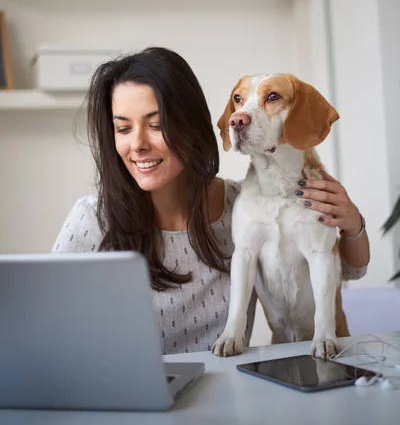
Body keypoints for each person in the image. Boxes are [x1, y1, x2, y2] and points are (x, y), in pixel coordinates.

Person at [53, 47, 370, 354]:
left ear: (191, 127)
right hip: (127, 395)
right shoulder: (91, 220)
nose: (137, 145)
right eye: (122, 128)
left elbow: (348, 272)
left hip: (231, 389)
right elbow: (45, 323)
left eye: (156, 124)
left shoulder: (240, 205)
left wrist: (353, 223)